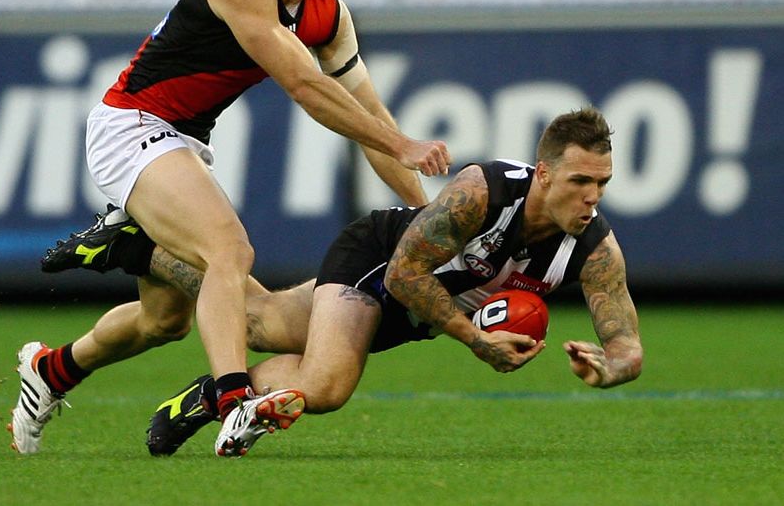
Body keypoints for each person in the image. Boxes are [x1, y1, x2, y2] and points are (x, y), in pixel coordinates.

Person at [8, 0, 450, 458]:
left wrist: (431, 222)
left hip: (181, 141)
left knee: (166, 321)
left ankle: (53, 368)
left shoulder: (328, 12)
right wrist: (403, 146)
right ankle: (232, 398)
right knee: (230, 251)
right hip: (131, 126)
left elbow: (370, 119)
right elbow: (305, 87)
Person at [44, 107, 643, 457]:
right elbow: (408, 274)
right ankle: (210, 384)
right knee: (327, 387)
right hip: (380, 262)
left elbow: (627, 343)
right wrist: (473, 338)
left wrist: (608, 366)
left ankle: (139, 252)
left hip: (413, 311)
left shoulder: (593, 247)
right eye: (580, 182)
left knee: (256, 321)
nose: (592, 198)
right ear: (544, 173)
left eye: (603, 184)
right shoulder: (483, 192)